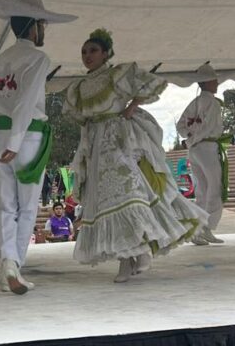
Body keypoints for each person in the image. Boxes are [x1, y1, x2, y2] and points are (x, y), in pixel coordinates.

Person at [64, 29, 207, 281]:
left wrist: (132, 105)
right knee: (107, 201)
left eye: (93, 50)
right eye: (84, 52)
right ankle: (124, 260)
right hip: (96, 144)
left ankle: (142, 249)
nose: (88, 55)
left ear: (106, 53)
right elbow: (78, 116)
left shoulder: (118, 74)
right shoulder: (79, 87)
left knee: (131, 191)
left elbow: (152, 83)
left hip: (120, 139)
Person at [0, 0, 76, 294]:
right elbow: (26, 101)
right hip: (26, 135)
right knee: (26, 207)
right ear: (33, 27)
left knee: (6, 206)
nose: (44, 30)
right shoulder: (38, 58)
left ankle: (8, 266)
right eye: (42, 24)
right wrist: (16, 138)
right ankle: (14, 266)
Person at [176, 63, 227, 245]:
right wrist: (196, 137)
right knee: (214, 188)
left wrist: (189, 138)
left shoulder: (194, 103)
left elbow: (180, 126)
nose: (217, 83)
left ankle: (197, 230)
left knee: (202, 190)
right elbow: (209, 128)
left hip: (195, 149)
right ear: (207, 82)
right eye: (215, 80)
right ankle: (207, 227)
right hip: (206, 147)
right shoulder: (212, 103)